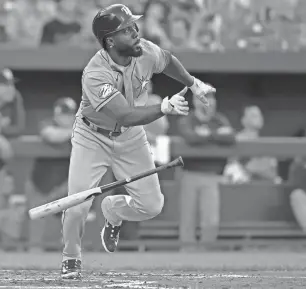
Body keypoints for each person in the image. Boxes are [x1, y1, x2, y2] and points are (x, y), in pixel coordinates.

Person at [60, 4, 215, 280]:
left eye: (134, 26)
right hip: (92, 137)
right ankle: (71, 258)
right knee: (78, 204)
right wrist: (163, 108)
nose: (135, 32)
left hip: (130, 138)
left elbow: (167, 60)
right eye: (126, 29)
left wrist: (193, 83)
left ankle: (113, 211)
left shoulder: (144, 51)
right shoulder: (95, 73)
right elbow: (125, 114)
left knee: (152, 206)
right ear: (110, 41)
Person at [177, 91, 235, 249]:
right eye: (205, 98)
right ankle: (187, 257)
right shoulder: (187, 120)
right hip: (190, 173)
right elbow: (190, 137)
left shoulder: (219, 120)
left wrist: (208, 134)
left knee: (210, 222)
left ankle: (206, 257)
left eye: (212, 98)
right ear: (196, 101)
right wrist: (215, 136)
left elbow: (231, 137)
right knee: (188, 220)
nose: (209, 102)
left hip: (213, 175)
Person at [26, 97, 77, 251]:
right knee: (37, 223)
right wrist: (74, 131)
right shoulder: (47, 123)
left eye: (68, 114)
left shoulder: (81, 126)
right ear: (55, 114)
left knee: (63, 225)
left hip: (64, 185)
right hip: (40, 182)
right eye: (61, 114)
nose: (64, 117)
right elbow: (51, 135)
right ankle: (33, 258)